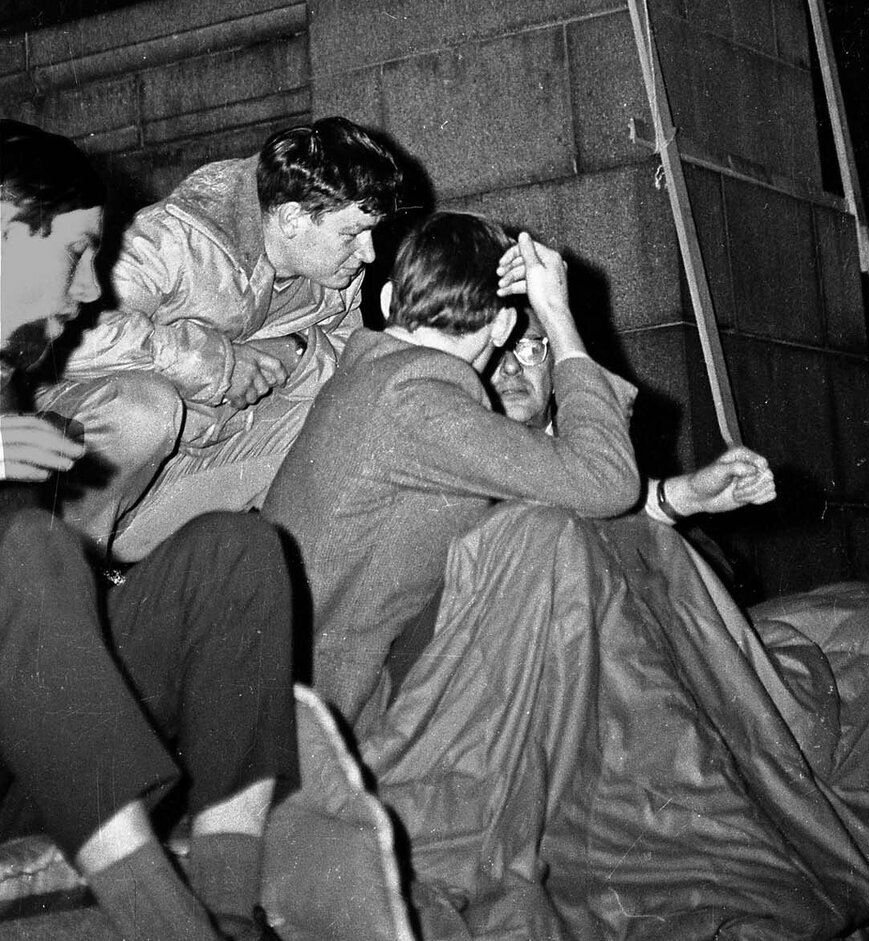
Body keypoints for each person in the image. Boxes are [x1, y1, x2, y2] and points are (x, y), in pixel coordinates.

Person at [1, 118, 299, 941]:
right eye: (74, 252)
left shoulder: (11, 381)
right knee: (29, 551)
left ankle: (230, 907)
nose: (92, 289)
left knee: (236, 554)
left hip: (41, 751)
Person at [263, 210, 642, 725]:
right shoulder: (418, 402)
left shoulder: (374, 379)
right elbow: (607, 482)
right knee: (548, 546)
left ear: (386, 300)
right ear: (505, 324)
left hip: (297, 695)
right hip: (324, 726)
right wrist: (557, 316)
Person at [37, 116, 403, 560]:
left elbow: (353, 367)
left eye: (372, 233)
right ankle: (57, 569)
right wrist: (219, 365)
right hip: (74, 463)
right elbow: (77, 337)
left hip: (188, 462)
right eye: (352, 234)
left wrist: (296, 352)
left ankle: (167, 577)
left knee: (346, 415)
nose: (368, 253)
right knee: (145, 410)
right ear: (292, 219)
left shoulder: (338, 275)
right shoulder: (175, 237)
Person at [491, 302, 777, 524]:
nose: (512, 367)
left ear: (560, 371)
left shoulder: (599, 441)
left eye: (529, 349)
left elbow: (613, 502)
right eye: (494, 354)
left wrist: (695, 493)